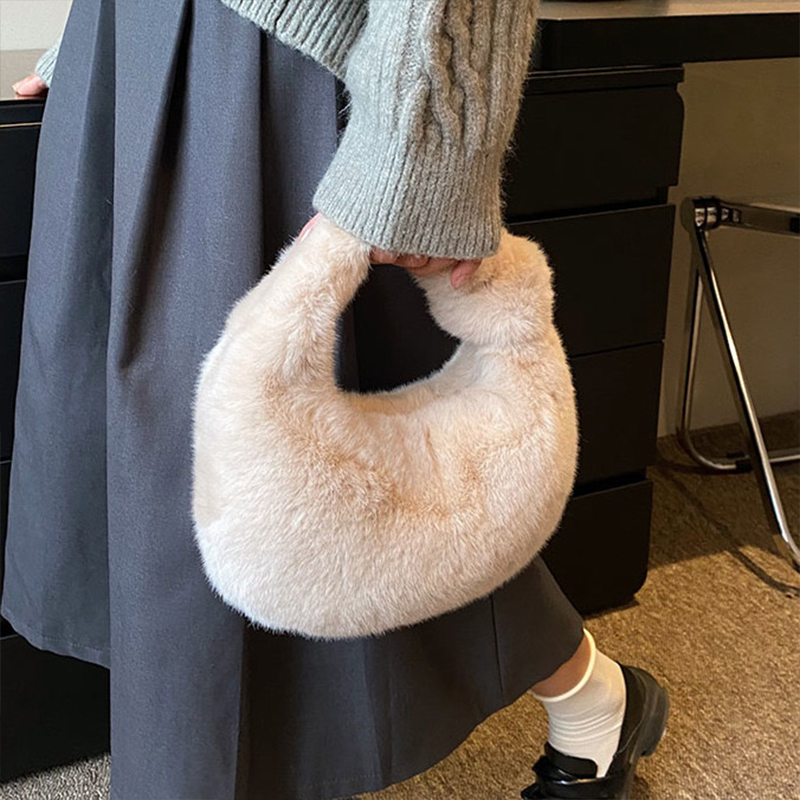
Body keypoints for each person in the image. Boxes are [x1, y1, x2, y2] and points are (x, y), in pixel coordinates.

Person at [5, 2, 669, 798]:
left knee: (231, 462)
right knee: (178, 460)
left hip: (272, 63)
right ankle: (595, 698)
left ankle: (591, 697)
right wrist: (100, 40)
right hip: (141, 46)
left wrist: (426, 155)